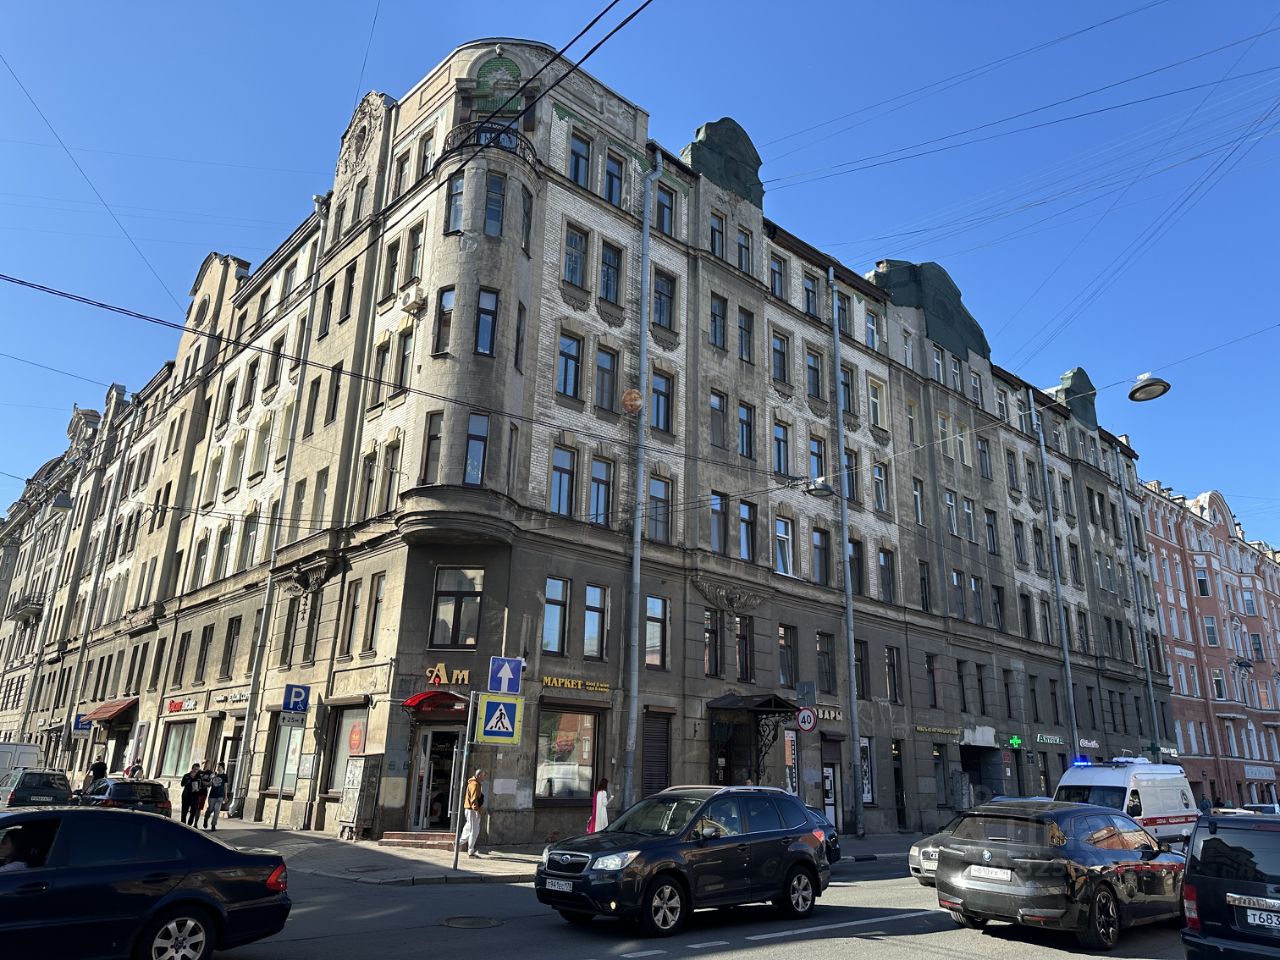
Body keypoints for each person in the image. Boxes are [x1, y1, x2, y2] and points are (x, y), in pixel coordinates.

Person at [458, 769, 486, 858]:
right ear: (479, 776)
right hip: (472, 810)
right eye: (484, 775)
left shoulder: (474, 783)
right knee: (474, 831)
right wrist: (477, 810)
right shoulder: (475, 784)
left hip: (469, 809)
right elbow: (474, 799)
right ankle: (470, 851)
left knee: (468, 828)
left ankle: (458, 843)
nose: (485, 777)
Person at [203, 763, 227, 830]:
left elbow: (225, 786)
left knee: (217, 810)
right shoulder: (214, 775)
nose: (218, 768)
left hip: (220, 796)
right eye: (217, 767)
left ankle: (213, 825)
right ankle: (206, 818)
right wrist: (206, 782)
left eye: (219, 767)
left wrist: (225, 796)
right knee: (210, 809)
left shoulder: (225, 776)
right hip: (212, 795)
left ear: (222, 768)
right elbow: (210, 784)